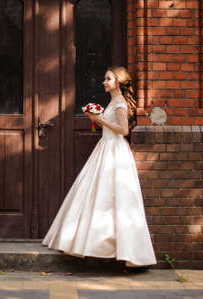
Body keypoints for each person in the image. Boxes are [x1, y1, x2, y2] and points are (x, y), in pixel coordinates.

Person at [42, 66, 157, 267]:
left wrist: (99, 119)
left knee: (115, 197)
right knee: (96, 193)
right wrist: (97, 118)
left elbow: (123, 130)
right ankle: (87, 241)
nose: (104, 82)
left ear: (118, 83)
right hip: (106, 147)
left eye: (108, 79)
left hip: (115, 151)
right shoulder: (113, 101)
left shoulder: (120, 103)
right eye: (105, 79)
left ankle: (123, 248)